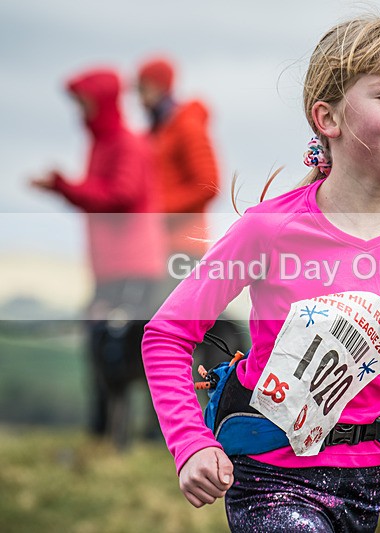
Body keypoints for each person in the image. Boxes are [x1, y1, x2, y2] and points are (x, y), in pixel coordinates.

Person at [142, 16, 380, 533]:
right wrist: (190, 443)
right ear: (327, 118)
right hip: (266, 477)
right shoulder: (269, 229)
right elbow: (167, 335)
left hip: (368, 484)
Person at [31, 67, 165, 448]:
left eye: (85, 103)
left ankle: (145, 436)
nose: (80, 111)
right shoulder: (100, 145)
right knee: (102, 345)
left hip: (134, 264)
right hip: (110, 265)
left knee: (123, 350)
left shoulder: (128, 144)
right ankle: (105, 432)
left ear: (102, 103)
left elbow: (119, 198)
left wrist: (65, 187)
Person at [136, 56, 244, 375]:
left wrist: (157, 213)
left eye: (144, 88)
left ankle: (196, 413)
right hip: (157, 247)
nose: (140, 98)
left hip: (183, 244)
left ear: (160, 86)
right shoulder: (157, 130)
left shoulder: (185, 125)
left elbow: (208, 184)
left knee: (173, 336)